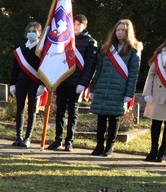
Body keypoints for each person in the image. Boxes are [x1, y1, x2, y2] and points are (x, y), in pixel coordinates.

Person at [90, 19, 142, 157]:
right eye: (117, 30)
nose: (119, 33)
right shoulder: (107, 48)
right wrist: (93, 87)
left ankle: (109, 147)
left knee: (114, 118)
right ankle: (99, 145)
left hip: (119, 89)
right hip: (102, 87)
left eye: (123, 30)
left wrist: (128, 93)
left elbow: (133, 73)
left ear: (128, 32)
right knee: (101, 117)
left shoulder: (133, 50)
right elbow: (99, 69)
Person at [47, 14, 99, 151]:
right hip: (62, 80)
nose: (76, 27)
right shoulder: (64, 38)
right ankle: (57, 140)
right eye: (74, 24)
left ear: (85, 26)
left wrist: (83, 83)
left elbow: (90, 65)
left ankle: (69, 141)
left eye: (79, 24)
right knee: (60, 111)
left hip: (77, 83)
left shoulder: (90, 42)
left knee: (72, 111)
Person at [8, 21, 44, 147]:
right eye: (29, 31)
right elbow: (15, 68)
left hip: (35, 82)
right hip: (21, 82)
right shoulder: (20, 49)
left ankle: (28, 137)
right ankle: (19, 136)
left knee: (32, 110)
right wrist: (12, 84)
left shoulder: (41, 49)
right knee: (20, 109)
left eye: (34, 31)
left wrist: (42, 84)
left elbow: (44, 68)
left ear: (39, 33)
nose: (31, 34)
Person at [142, 40, 166, 162]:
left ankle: (162, 152)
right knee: (156, 124)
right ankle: (153, 150)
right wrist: (147, 93)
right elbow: (150, 74)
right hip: (158, 94)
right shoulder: (159, 56)